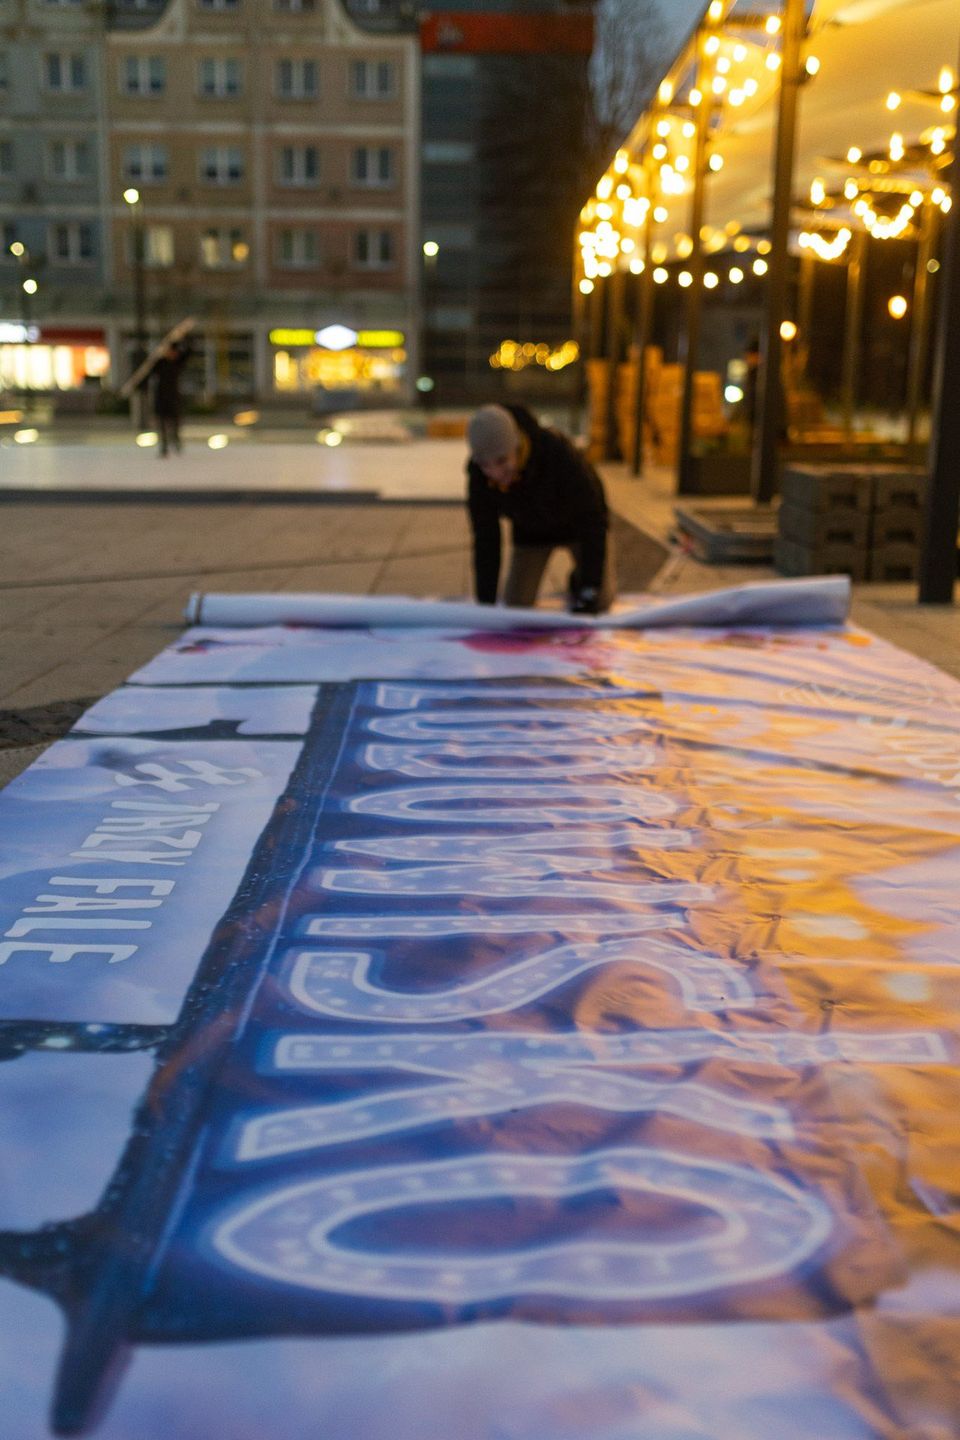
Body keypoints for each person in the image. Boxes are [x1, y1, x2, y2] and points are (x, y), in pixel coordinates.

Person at [466, 403, 614, 613]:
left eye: (502, 461)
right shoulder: (479, 476)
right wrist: (486, 603)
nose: (495, 473)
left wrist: (589, 589)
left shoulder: (556, 452)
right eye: (485, 465)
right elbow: (486, 537)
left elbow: (593, 520)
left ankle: (578, 579)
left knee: (600, 601)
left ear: (516, 446)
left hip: (578, 528)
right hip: (531, 533)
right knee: (516, 605)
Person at [150, 339, 191, 458]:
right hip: (161, 397)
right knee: (162, 423)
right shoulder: (161, 363)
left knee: (175, 422)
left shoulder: (178, 363)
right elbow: (150, 370)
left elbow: (188, 353)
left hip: (173, 397)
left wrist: (182, 340)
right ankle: (164, 446)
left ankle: (176, 441)